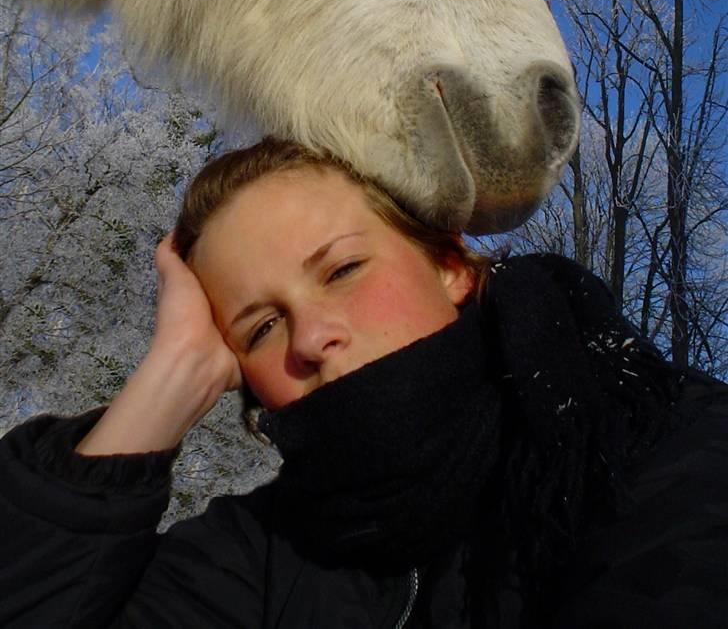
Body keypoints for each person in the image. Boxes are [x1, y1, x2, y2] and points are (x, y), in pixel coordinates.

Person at [1, 138, 727, 629]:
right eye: (260, 329)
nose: (313, 338)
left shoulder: (663, 453)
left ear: (450, 265)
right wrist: (167, 383)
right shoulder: (260, 558)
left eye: (343, 270)